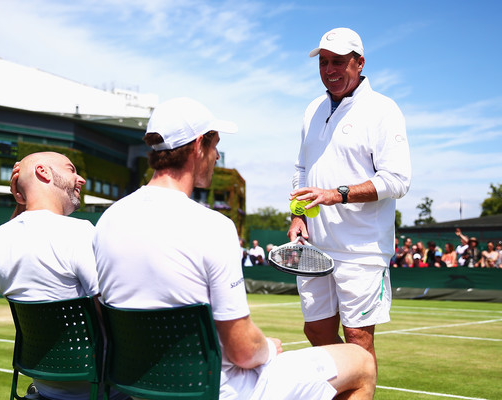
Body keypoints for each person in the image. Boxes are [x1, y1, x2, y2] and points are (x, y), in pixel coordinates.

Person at [94, 97, 376, 399]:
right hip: (215, 389)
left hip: (140, 389)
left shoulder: (107, 221)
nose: (216, 157)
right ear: (199, 145)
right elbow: (243, 351)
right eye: (215, 146)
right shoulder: (212, 227)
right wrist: (267, 347)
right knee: (360, 362)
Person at [288, 27, 411, 370]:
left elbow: (398, 180)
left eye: (339, 62)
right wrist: (297, 215)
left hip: (362, 249)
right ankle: (349, 388)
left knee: (358, 338)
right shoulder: (312, 108)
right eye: (324, 62)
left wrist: (337, 194)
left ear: (359, 63)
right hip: (315, 247)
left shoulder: (383, 109)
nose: (329, 70)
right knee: (315, 330)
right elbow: (302, 168)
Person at [0, 151, 128, 400]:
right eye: (71, 169)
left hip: (44, 386)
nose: (81, 179)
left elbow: (22, 229)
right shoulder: (80, 232)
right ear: (43, 172)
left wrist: (22, 199)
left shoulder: (0, 237)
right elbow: (113, 316)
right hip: (102, 388)